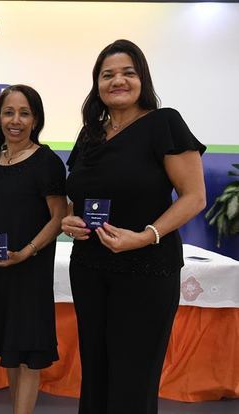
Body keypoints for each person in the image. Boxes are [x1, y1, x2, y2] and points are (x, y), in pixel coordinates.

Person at [61, 39, 206, 414]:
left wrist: (146, 236)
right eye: (107, 75)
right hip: (90, 267)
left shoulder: (164, 123)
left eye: (128, 72)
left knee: (134, 376)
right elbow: (79, 196)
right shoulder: (90, 133)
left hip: (146, 269)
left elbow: (194, 197)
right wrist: (70, 220)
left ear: (143, 78)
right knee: (95, 370)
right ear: (97, 84)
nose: (117, 81)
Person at [0, 84, 67, 414]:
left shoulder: (47, 162)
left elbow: (59, 216)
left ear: (36, 119)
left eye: (24, 113)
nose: (15, 120)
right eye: (8, 112)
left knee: (28, 353)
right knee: (9, 348)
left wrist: (27, 251)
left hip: (29, 269)